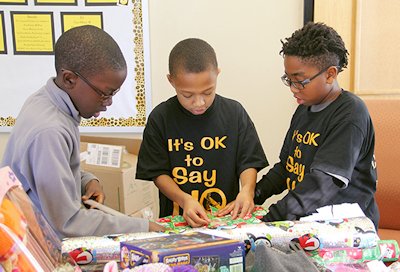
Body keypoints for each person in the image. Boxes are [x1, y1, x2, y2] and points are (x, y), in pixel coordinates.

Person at [1, 25, 164, 238]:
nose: (109, 102)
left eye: (114, 93)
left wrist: (86, 180)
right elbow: (67, 223)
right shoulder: (50, 131)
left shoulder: (47, 102)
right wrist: (141, 227)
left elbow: (55, 169)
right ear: (69, 79)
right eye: (104, 94)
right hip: (35, 243)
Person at [218, 22, 379, 229]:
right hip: (309, 220)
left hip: (346, 227)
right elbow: (287, 167)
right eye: (288, 79)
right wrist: (252, 195)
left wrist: (269, 219)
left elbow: (321, 186)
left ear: (330, 74)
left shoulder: (350, 114)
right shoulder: (305, 108)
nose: (293, 88)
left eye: (300, 81)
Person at [136, 38, 268, 227]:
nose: (199, 103)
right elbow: (158, 173)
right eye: (187, 95)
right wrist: (184, 200)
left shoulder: (234, 113)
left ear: (217, 75)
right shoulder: (161, 118)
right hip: (178, 220)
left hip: (225, 219)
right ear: (171, 80)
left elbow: (249, 161)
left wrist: (247, 190)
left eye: (208, 92)